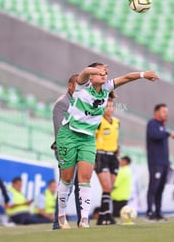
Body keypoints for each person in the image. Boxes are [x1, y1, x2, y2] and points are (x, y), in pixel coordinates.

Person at [56, 62, 158, 229]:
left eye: (105, 73)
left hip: (88, 138)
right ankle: (61, 216)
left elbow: (126, 77)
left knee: (85, 178)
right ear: (92, 76)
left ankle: (84, 220)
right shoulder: (82, 86)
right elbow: (84, 71)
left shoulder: (106, 88)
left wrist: (143, 74)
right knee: (67, 178)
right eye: (100, 73)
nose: (104, 75)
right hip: (69, 134)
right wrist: (96, 70)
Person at [51, 73, 81, 230]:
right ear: (70, 85)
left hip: (80, 148)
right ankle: (58, 223)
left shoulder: (81, 102)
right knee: (66, 187)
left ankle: (82, 222)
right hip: (67, 149)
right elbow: (61, 130)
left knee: (81, 187)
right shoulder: (62, 103)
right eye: (79, 84)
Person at [146, 103, 174, 221]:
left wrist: (168, 162)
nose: (166, 114)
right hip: (155, 162)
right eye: (164, 111)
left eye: (167, 112)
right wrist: (168, 133)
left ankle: (158, 212)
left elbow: (163, 147)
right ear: (157, 112)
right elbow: (154, 135)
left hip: (164, 163)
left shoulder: (163, 126)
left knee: (160, 188)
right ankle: (150, 212)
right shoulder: (152, 124)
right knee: (153, 187)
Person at [94, 93, 120, 225]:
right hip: (101, 155)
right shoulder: (98, 121)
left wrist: (117, 148)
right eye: (106, 106)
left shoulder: (116, 122)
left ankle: (102, 217)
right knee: (106, 186)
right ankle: (106, 215)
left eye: (111, 106)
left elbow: (115, 139)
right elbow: (92, 138)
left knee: (109, 188)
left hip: (113, 156)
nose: (109, 108)